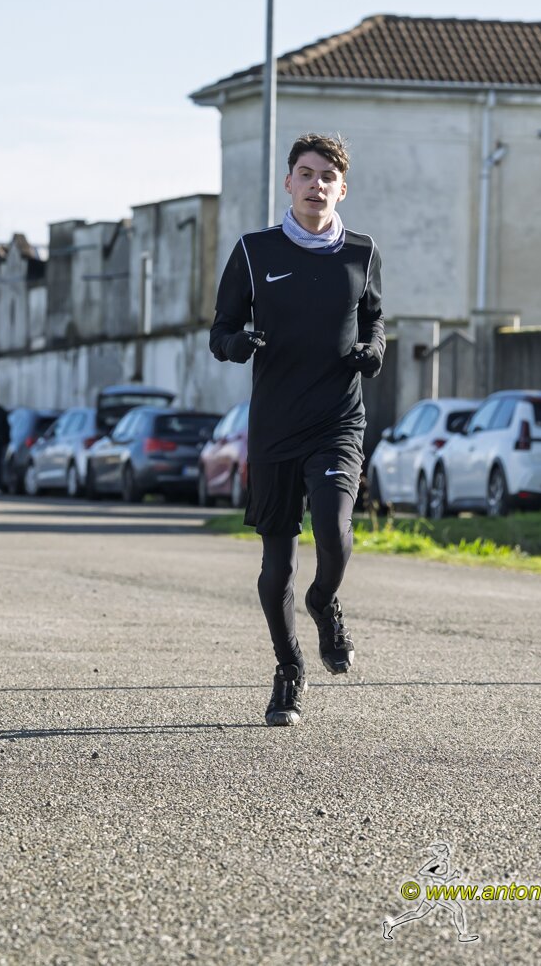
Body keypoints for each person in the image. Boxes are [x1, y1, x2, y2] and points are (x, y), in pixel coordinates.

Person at [210, 133, 383, 727]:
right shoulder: (254, 251)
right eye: (306, 174)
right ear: (288, 183)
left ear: (342, 188)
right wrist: (237, 344)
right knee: (276, 566)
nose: (316, 185)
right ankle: (289, 669)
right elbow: (220, 330)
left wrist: (373, 351)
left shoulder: (362, 253)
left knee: (333, 530)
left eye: (327, 176)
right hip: (276, 427)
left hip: (338, 421)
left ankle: (324, 600)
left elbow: (374, 319)